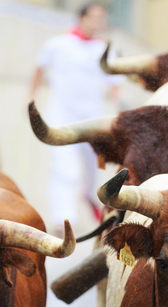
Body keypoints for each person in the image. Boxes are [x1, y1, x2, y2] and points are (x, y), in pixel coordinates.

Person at [30, 3, 122, 233]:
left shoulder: (104, 49)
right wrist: (30, 97)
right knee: (66, 169)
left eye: (102, 18)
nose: (98, 22)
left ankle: (89, 196)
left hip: (93, 120)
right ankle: (63, 219)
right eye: (94, 17)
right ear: (81, 18)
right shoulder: (58, 44)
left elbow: (116, 83)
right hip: (62, 117)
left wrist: (118, 107)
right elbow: (39, 68)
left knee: (95, 169)